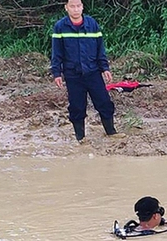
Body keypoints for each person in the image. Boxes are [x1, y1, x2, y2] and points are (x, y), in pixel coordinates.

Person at [50, 0, 125, 143]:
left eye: (78, 6)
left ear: (83, 7)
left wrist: (105, 68)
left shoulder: (92, 25)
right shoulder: (60, 27)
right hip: (73, 75)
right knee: (77, 107)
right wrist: (56, 73)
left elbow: (100, 49)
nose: (76, 9)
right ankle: (81, 138)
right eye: (72, 6)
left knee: (104, 102)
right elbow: (56, 52)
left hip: (93, 72)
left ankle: (111, 132)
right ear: (66, 8)